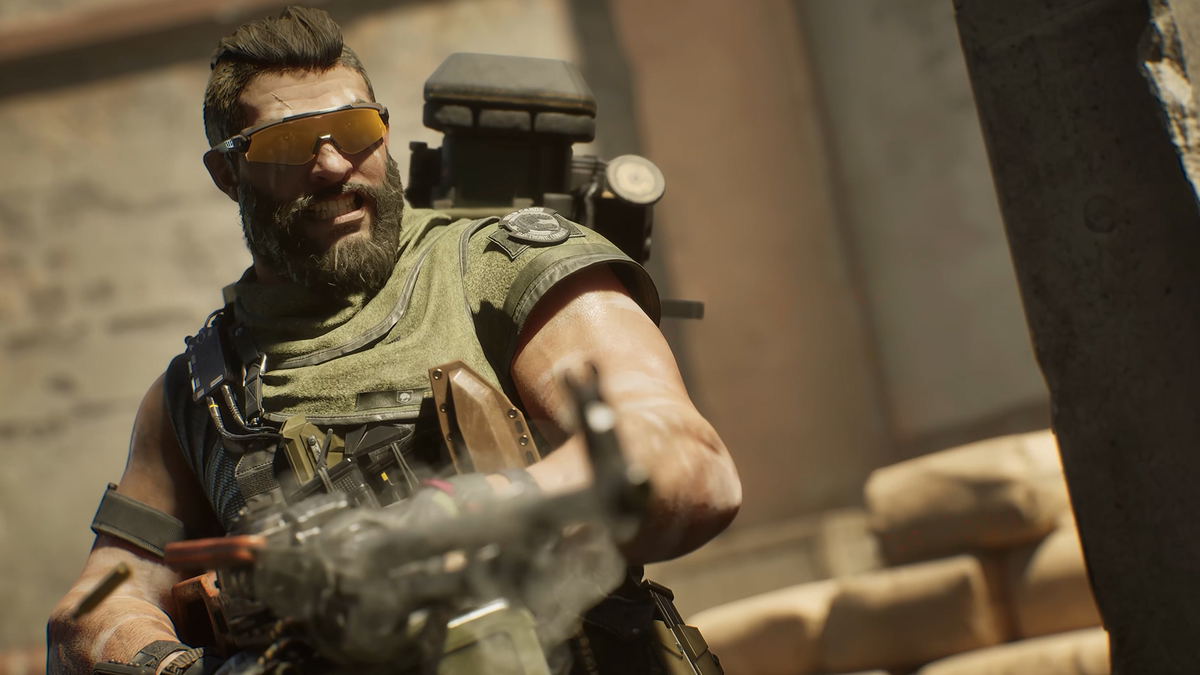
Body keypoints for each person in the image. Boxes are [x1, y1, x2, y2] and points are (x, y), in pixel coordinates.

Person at [47, 7, 741, 675]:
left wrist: (454, 517)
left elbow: (684, 460)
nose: (331, 166)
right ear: (228, 173)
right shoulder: (198, 392)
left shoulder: (502, 268)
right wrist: (171, 665)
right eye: (288, 144)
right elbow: (97, 602)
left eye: (354, 130)